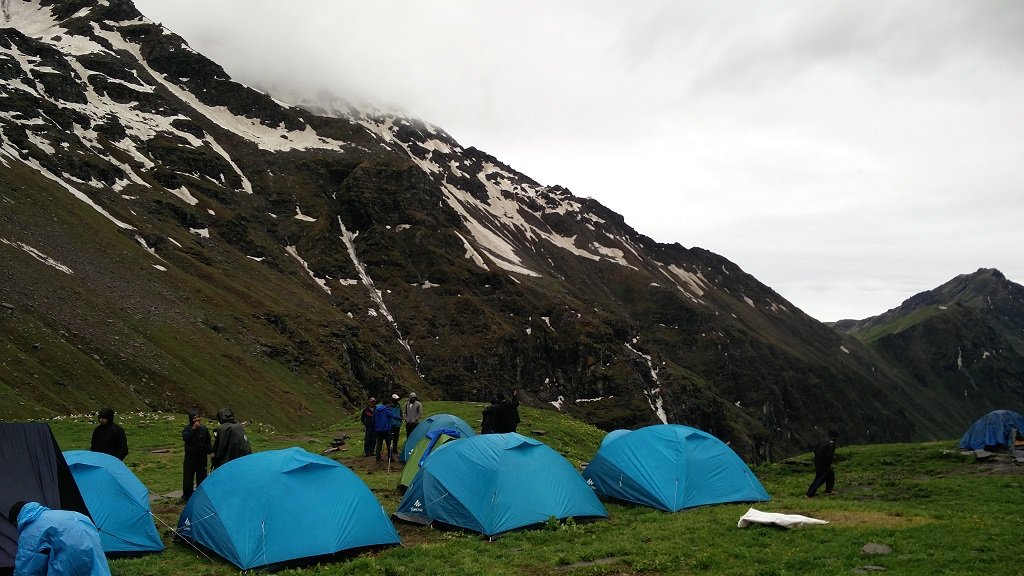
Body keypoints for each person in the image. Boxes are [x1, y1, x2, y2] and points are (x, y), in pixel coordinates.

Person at [6, 500, 111, 575]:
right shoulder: (63, 514)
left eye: (15, 525)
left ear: (18, 518)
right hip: (91, 542)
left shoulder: (32, 528)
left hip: (71, 555)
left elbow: (28, 564)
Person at [181, 411, 212, 501]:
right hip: (190, 458)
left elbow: (208, 441)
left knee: (202, 477)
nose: (197, 419)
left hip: (202, 458)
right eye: (194, 418)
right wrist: (193, 429)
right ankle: (187, 496)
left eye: (198, 417)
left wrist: (211, 452)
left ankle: (200, 496)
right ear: (191, 419)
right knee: (188, 478)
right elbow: (186, 438)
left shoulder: (204, 429)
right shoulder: (187, 429)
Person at [806, 429, 839, 497]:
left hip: (817, 462)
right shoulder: (831, 444)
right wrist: (829, 464)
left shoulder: (822, 440)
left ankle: (828, 491)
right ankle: (809, 494)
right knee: (820, 479)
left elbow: (814, 449)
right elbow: (829, 456)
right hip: (824, 464)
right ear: (835, 437)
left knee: (830, 475)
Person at [373, 398, 394, 462]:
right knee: (389, 443)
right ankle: (390, 458)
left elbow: (374, 417)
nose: (390, 405)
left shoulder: (376, 409)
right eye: (389, 404)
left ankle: (377, 458)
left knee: (379, 443)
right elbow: (392, 415)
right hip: (386, 429)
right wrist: (400, 419)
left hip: (378, 429)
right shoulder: (386, 410)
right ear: (387, 404)